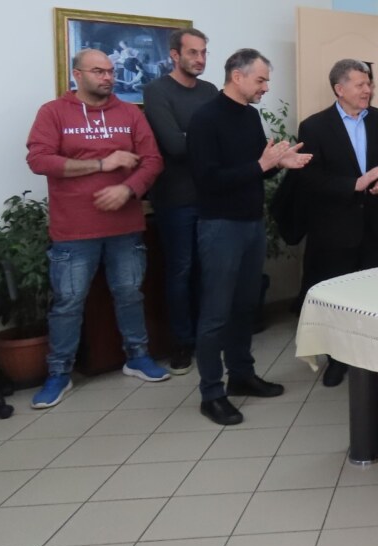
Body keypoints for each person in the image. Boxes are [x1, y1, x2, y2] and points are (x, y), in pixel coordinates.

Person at [26, 49, 169, 408]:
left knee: (130, 294)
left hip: (125, 227)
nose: (108, 77)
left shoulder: (129, 114)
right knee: (68, 303)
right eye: (98, 71)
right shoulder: (53, 112)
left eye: (110, 71)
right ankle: (59, 374)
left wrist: (129, 189)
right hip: (74, 230)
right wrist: (103, 164)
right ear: (77, 74)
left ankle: (137, 357)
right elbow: (39, 160)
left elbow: (153, 160)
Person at [187, 49, 311, 426]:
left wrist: (278, 164)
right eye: (260, 80)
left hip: (251, 224)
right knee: (216, 314)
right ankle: (211, 393)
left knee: (244, 307)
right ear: (237, 77)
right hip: (220, 227)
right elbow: (208, 180)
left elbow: (256, 171)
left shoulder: (250, 116)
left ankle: (241, 374)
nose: (266, 87)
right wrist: (261, 164)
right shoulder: (205, 119)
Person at [297, 59, 378, 387]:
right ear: (339, 88)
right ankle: (338, 358)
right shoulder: (314, 127)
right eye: (360, 84)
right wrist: (354, 185)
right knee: (340, 299)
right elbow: (311, 179)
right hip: (336, 230)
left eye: (368, 84)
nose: (367, 90)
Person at [142, 27, 218, 375]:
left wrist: (196, 138)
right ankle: (181, 343)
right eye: (193, 53)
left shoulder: (210, 91)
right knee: (180, 271)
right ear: (174, 55)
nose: (200, 59)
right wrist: (205, 141)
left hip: (211, 195)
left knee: (208, 270)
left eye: (203, 53)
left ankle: (206, 338)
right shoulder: (157, 91)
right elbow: (174, 146)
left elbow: (220, 139)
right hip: (176, 198)